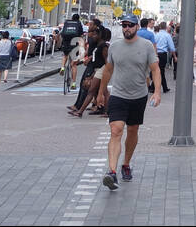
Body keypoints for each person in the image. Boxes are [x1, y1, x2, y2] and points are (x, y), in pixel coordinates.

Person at [95, 15, 162, 190]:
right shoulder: (115, 47)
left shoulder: (146, 46)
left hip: (139, 96)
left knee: (132, 130)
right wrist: (101, 92)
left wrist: (157, 92)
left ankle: (126, 164)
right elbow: (108, 70)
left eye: (130, 25)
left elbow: (155, 69)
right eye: (124, 25)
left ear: (137, 27)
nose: (127, 28)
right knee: (116, 131)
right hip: (118, 95)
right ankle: (112, 172)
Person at [59, 14, 85, 84]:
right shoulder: (78, 24)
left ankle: (62, 67)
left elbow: (62, 33)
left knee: (65, 55)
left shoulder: (67, 23)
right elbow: (81, 35)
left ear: (72, 18)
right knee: (74, 65)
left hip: (66, 42)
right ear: (78, 18)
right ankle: (73, 83)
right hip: (74, 43)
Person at [153, 21, 173, 94]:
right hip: (163, 54)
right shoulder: (167, 35)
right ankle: (164, 88)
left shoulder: (156, 35)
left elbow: (153, 44)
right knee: (161, 71)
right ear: (165, 27)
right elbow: (171, 47)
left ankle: (154, 87)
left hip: (156, 53)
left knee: (158, 70)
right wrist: (173, 54)